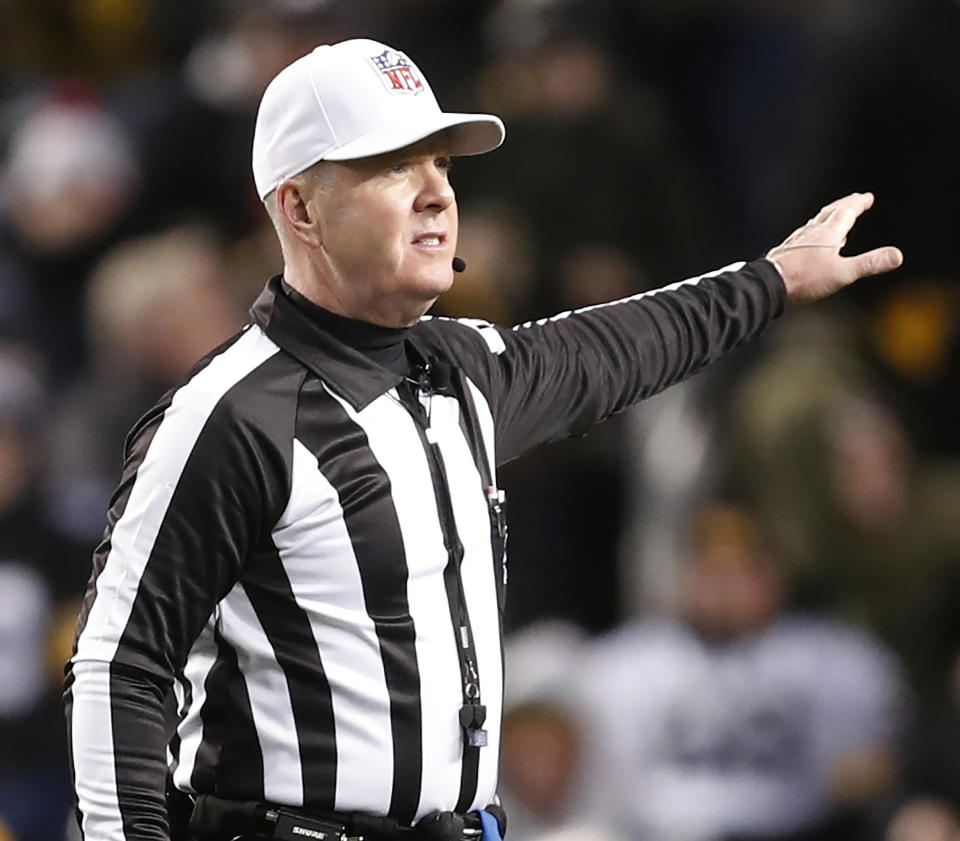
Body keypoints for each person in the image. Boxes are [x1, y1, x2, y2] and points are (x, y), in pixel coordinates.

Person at [64, 38, 903, 841]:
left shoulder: (459, 368)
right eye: (394, 166)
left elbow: (618, 346)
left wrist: (775, 280)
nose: (437, 194)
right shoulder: (231, 416)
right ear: (300, 207)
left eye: (442, 165)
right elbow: (119, 665)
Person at [577, 501, 905, 841]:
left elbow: (863, 775)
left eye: (738, 572)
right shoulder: (625, 662)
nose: (721, 590)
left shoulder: (834, 658)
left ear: (772, 576)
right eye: (709, 571)